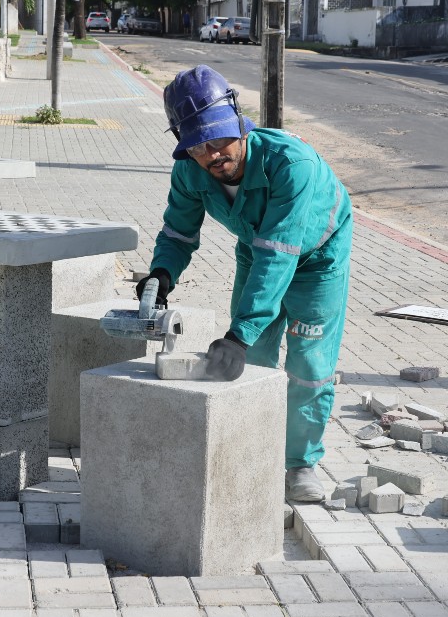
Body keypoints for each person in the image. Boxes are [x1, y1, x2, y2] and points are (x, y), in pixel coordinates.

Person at [135, 65, 353, 502]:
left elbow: (282, 252)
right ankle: (251, 449)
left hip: (317, 257)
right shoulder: (190, 172)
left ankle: (299, 463)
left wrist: (238, 332)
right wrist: (161, 274)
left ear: (239, 123)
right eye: (198, 147)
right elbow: (179, 232)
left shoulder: (293, 166)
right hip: (258, 247)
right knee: (253, 358)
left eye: (219, 139)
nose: (212, 154)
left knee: (307, 365)